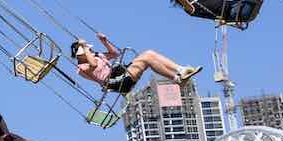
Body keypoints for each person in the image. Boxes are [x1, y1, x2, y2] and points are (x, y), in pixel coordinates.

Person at [71, 34, 199, 95]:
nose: (91, 51)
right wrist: (84, 46)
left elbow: (115, 54)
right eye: (88, 50)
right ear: (79, 54)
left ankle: (180, 70)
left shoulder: (96, 55)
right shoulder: (81, 68)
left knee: (149, 53)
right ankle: (177, 79)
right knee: (147, 60)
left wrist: (104, 41)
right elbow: (92, 65)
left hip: (120, 72)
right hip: (113, 81)